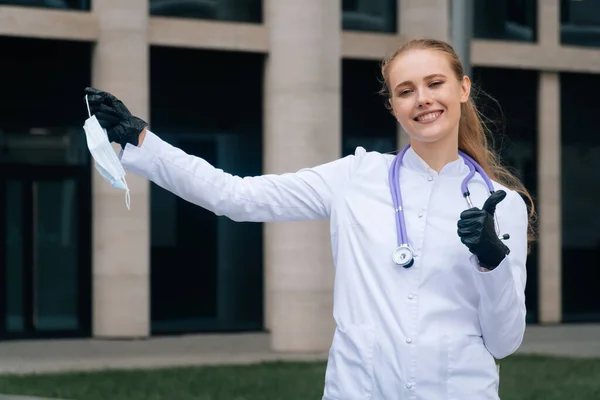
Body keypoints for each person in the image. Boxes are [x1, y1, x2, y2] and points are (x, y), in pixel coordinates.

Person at [84, 38, 535, 399]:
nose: (423, 99)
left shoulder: (502, 203)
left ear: (462, 89)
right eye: (406, 90)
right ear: (393, 106)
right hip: (359, 389)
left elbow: (504, 342)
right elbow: (238, 196)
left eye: (435, 83)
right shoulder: (356, 176)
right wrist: (144, 142)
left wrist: (492, 260)